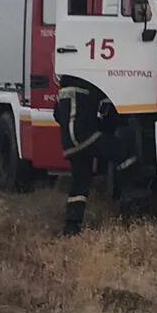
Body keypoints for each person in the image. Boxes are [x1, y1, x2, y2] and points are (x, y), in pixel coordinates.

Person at [54, 75, 102, 235]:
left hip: (71, 143)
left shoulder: (64, 91)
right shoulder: (87, 87)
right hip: (84, 139)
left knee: (80, 182)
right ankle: (130, 206)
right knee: (122, 152)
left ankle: (72, 225)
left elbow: (56, 114)